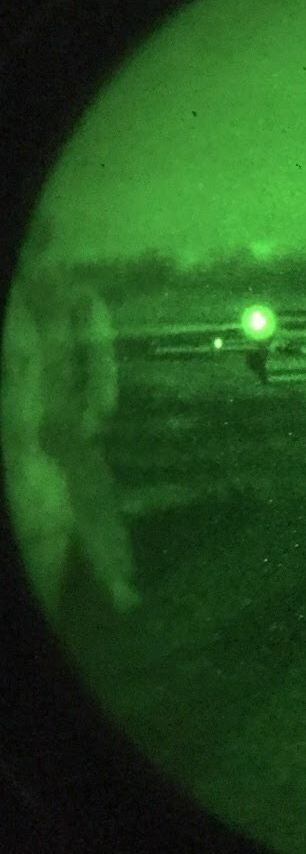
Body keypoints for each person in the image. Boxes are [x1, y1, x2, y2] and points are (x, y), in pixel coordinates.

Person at [1, 212, 141, 624]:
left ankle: (116, 584)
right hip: (18, 429)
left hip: (66, 422)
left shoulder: (77, 300)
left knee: (90, 501)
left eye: (30, 248)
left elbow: (101, 364)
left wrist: (95, 411)